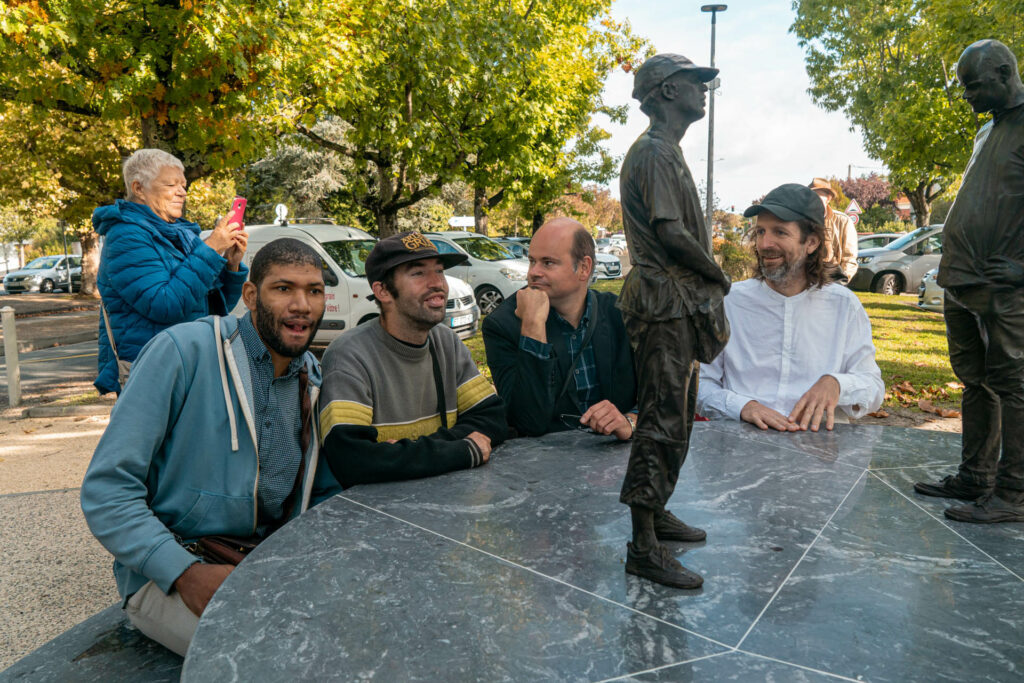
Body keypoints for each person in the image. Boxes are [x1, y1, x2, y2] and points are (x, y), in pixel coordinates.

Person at [81, 238, 338, 656]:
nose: (302, 305)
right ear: (251, 295)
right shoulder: (182, 352)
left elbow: (323, 492)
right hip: (169, 572)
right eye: (283, 288)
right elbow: (106, 490)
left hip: (264, 562)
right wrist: (181, 571)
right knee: (265, 657)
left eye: (313, 290)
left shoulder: (312, 378)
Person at [616, 54, 733, 590]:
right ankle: (643, 545)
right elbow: (672, 233)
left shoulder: (667, 152)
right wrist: (718, 273)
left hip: (675, 302)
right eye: (694, 83)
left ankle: (656, 510)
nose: (703, 91)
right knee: (663, 418)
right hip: (663, 302)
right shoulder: (655, 153)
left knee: (679, 416)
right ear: (666, 91)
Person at [914, 39, 1024, 523]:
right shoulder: (988, 131)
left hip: (1005, 285)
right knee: (975, 380)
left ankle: (1014, 493)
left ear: (1004, 74)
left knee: (1014, 383)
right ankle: (976, 475)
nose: (968, 96)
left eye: (974, 86)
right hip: (962, 280)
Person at [319, 232, 507, 488]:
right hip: (375, 516)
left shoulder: (446, 342)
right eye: (418, 273)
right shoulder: (349, 355)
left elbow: (492, 420)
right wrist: (460, 450)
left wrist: (411, 453)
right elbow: (352, 460)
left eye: (439, 271)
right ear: (382, 291)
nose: (437, 283)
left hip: (445, 502)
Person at [697, 184, 884, 431]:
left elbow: (873, 387)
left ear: (812, 242)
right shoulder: (730, 302)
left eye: (780, 233)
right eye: (761, 231)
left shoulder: (843, 306)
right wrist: (743, 407)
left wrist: (837, 385)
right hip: (741, 448)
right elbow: (700, 384)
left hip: (819, 453)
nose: (765, 243)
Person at [93, 148, 249, 395]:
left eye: (183, 185)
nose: (182, 192)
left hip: (190, 363)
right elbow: (165, 304)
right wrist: (210, 250)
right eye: (171, 184)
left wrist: (231, 265)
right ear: (139, 188)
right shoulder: (126, 237)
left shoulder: (182, 234)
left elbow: (216, 307)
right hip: (154, 371)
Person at [482, 217, 637, 439]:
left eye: (548, 263)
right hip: (545, 464)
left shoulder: (621, 315)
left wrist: (629, 421)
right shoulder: (503, 324)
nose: (533, 272)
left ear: (584, 268)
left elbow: (662, 397)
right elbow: (526, 422)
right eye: (532, 261)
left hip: (616, 456)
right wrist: (533, 327)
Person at [808, 177, 858, 282]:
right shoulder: (799, 220)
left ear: (828, 198)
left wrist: (842, 280)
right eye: (810, 196)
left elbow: (849, 258)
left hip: (832, 280)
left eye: (817, 197)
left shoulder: (843, 221)